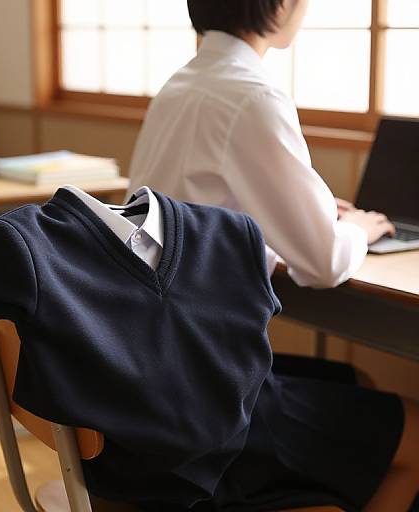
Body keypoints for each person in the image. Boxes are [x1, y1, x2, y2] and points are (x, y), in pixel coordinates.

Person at [126, 1, 419, 510]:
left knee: (354, 382)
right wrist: (355, 229)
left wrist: (317, 210)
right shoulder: (251, 95)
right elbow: (324, 264)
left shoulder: (182, 85)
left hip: (155, 381)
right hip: (213, 408)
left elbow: (197, 211)